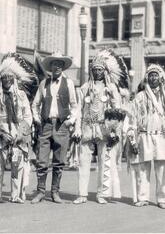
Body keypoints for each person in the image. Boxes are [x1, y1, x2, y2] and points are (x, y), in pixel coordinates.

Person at [73, 49, 129, 204]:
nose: (97, 72)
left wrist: (114, 129)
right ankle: (82, 194)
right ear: (91, 71)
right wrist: (77, 128)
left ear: (105, 71)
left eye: (100, 69)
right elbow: (78, 109)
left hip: (104, 128)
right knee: (83, 161)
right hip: (87, 127)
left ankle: (101, 194)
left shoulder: (110, 89)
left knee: (104, 161)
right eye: (95, 69)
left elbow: (117, 110)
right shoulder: (84, 88)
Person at [31, 52, 78, 204]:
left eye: (59, 64)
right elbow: (35, 104)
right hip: (45, 126)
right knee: (42, 161)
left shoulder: (69, 83)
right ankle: (40, 191)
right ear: (50, 66)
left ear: (63, 67)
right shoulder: (43, 83)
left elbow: (75, 106)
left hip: (61, 126)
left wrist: (70, 122)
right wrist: (37, 119)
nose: (56, 67)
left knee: (59, 161)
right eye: (54, 64)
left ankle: (55, 192)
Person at [125, 64, 165, 209]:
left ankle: (162, 198)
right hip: (144, 135)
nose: (153, 77)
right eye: (151, 75)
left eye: (156, 75)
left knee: (162, 170)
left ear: (160, 77)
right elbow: (132, 119)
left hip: (161, 136)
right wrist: (132, 138)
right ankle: (143, 197)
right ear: (147, 78)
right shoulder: (140, 96)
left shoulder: (164, 95)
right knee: (143, 169)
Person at [0, 53, 33, 203]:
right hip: (2, 134)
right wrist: (2, 133)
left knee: (18, 165)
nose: (6, 80)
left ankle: (16, 195)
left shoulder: (20, 95)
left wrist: (21, 133)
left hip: (18, 134)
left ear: (13, 79)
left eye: (9, 77)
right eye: (3, 78)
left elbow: (28, 116)